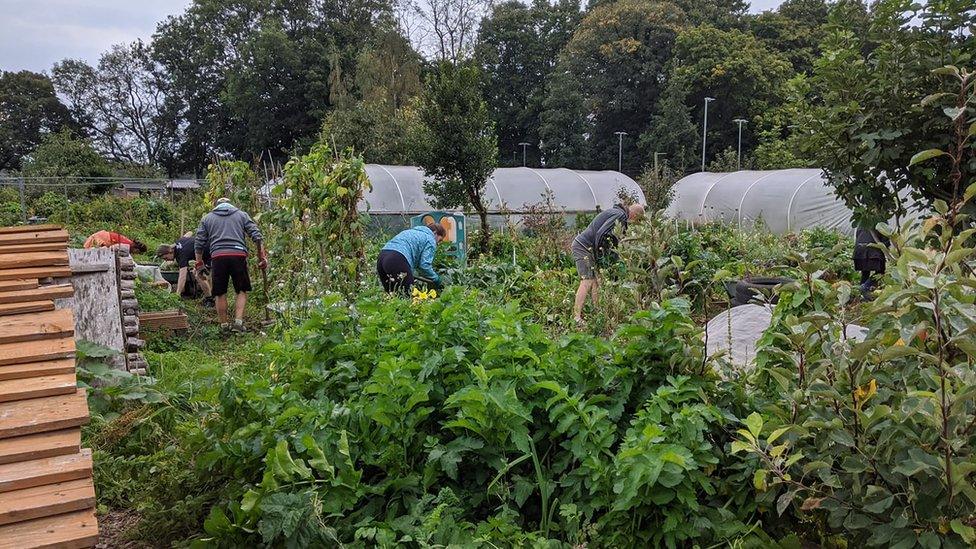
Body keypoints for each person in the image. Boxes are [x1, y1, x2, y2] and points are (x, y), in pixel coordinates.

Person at [194, 198, 267, 332]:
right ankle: (238, 323)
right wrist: (261, 257)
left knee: (220, 292)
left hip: (218, 256)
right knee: (241, 290)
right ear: (231, 205)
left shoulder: (207, 218)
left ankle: (224, 325)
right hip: (238, 255)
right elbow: (257, 236)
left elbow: (199, 242)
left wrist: (199, 263)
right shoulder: (241, 215)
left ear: (216, 206)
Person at [571, 203, 645, 323]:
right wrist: (602, 257)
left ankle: (598, 313)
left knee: (596, 281)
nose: (634, 223)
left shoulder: (617, 213)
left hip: (590, 247)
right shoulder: (620, 216)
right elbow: (602, 234)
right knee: (587, 280)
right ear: (634, 215)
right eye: (637, 220)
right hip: (584, 246)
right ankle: (576, 317)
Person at [377, 223, 446, 294]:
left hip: (382, 257)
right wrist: (435, 278)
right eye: (440, 240)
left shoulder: (409, 232)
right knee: (408, 296)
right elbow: (424, 265)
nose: (438, 243)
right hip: (397, 258)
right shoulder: (430, 238)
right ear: (434, 233)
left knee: (392, 296)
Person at [156, 234, 212, 301]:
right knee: (196, 272)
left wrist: (177, 294)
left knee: (199, 275)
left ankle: (210, 299)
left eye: (166, 258)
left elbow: (182, 277)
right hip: (204, 252)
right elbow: (189, 233)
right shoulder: (178, 242)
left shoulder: (181, 255)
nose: (166, 260)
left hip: (211, 253)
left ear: (170, 252)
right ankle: (209, 295)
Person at [854, 226, 889, 298]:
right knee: (880, 272)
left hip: (859, 250)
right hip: (872, 251)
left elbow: (858, 236)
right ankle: (865, 286)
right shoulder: (881, 220)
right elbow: (886, 238)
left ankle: (862, 296)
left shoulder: (862, 221)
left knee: (865, 273)